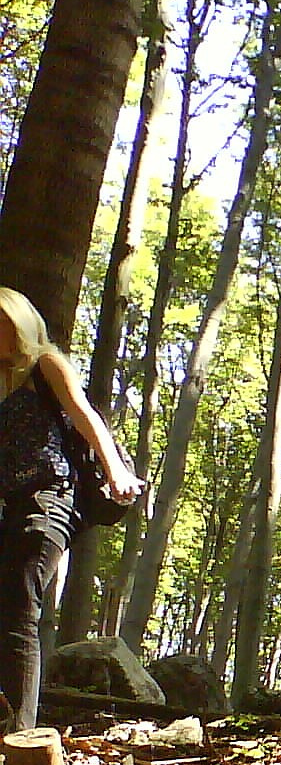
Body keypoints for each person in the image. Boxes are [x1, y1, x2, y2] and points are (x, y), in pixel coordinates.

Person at [0, 288, 143, 732]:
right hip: (11, 505)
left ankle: (22, 738)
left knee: (20, 601)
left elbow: (85, 415)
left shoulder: (45, 364)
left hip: (51, 496)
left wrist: (115, 469)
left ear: (20, 324)